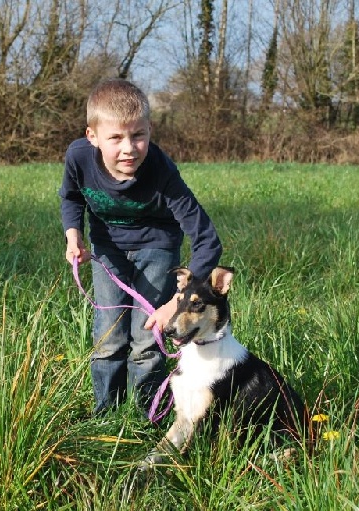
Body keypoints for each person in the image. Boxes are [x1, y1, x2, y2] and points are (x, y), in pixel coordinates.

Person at [60, 78, 222, 417]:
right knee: (108, 338)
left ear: (150, 130)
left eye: (138, 135)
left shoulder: (162, 171)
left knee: (146, 341)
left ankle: (145, 416)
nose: (129, 148)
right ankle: (105, 414)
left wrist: (175, 304)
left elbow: (207, 239)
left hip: (157, 248)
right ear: (92, 136)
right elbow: (72, 196)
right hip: (108, 250)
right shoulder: (78, 157)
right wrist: (74, 234)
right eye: (115, 138)